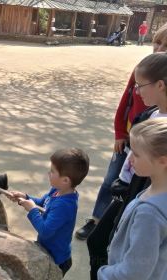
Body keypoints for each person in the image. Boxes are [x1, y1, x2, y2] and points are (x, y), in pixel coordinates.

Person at [75, 22, 167, 241]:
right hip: (129, 139)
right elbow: (126, 102)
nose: (160, 48)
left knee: (133, 188)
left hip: (151, 150)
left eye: (166, 44)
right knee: (111, 182)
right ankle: (97, 220)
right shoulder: (143, 71)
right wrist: (119, 133)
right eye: (157, 42)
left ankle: (116, 227)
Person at [88, 51, 167, 280]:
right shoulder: (148, 114)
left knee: (108, 243)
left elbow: (138, 268)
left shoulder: (152, 212)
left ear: (160, 85)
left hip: (140, 188)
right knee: (109, 239)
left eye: (141, 86)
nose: (137, 92)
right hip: (133, 187)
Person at [97, 117, 167, 280]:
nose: (130, 159)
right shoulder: (156, 192)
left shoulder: (149, 214)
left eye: (136, 154)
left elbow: (134, 272)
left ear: (162, 161)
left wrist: (104, 274)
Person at [7, 148, 90, 276]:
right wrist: (25, 197)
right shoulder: (56, 191)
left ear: (65, 180)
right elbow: (42, 202)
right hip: (47, 249)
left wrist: (32, 210)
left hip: (56, 259)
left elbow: (45, 231)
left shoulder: (64, 206)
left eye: (52, 171)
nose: (48, 173)